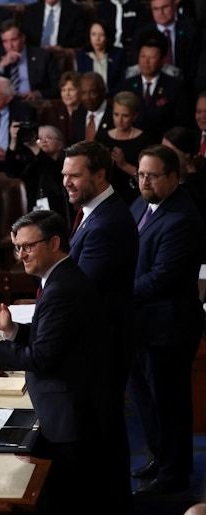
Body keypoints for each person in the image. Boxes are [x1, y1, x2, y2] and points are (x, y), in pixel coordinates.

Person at [0, 210, 109, 515]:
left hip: (69, 415)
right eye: (17, 247)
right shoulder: (58, 279)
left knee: (72, 500)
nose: (21, 255)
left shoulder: (62, 288)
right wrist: (11, 329)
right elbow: (52, 339)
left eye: (28, 246)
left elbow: (42, 358)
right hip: (67, 409)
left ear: (54, 242)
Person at [62, 140, 138, 511]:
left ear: (100, 175)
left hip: (101, 348)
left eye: (75, 175)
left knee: (104, 436)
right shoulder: (96, 212)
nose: (67, 182)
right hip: (98, 344)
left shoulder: (107, 222)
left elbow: (82, 290)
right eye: (64, 174)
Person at [129, 145, 205, 496]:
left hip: (168, 329)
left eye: (153, 176)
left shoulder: (182, 218)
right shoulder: (141, 203)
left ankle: (174, 474)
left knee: (169, 404)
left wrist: (116, 291)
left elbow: (161, 279)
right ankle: (160, 458)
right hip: (141, 325)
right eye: (140, 174)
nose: (144, 181)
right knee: (147, 401)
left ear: (174, 177)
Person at [115, 31, 185, 143]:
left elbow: (179, 122)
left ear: (162, 60)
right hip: (131, 142)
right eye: (143, 56)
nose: (146, 61)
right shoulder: (126, 86)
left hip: (162, 143)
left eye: (152, 57)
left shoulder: (174, 87)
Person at [96, 91, 150, 204]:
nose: (119, 120)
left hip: (135, 198)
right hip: (107, 196)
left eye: (125, 116)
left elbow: (149, 177)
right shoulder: (102, 137)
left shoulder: (144, 140)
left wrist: (124, 165)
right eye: (116, 114)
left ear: (134, 116)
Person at [0, 20, 60, 100]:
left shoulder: (42, 56)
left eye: (13, 40)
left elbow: (57, 87)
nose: (9, 46)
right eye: (5, 41)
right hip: (7, 102)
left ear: (23, 38)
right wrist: (1, 66)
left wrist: (38, 94)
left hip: (34, 102)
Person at [75, 20, 127, 94]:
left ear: (107, 37)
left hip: (113, 96)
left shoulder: (118, 55)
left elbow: (122, 82)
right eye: (93, 34)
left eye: (101, 35)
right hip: (89, 97)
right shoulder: (82, 56)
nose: (97, 39)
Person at [20, 0, 86, 49]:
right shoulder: (30, 11)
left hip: (62, 54)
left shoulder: (75, 11)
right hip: (35, 55)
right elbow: (24, 38)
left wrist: (62, 49)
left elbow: (79, 40)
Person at [71, 72, 113, 144]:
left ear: (103, 91)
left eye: (93, 92)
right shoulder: (77, 115)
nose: (87, 97)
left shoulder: (115, 114)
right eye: (83, 93)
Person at [43, 71, 82, 144]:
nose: (67, 94)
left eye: (71, 90)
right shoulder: (54, 111)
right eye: (63, 90)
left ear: (80, 91)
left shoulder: (86, 111)